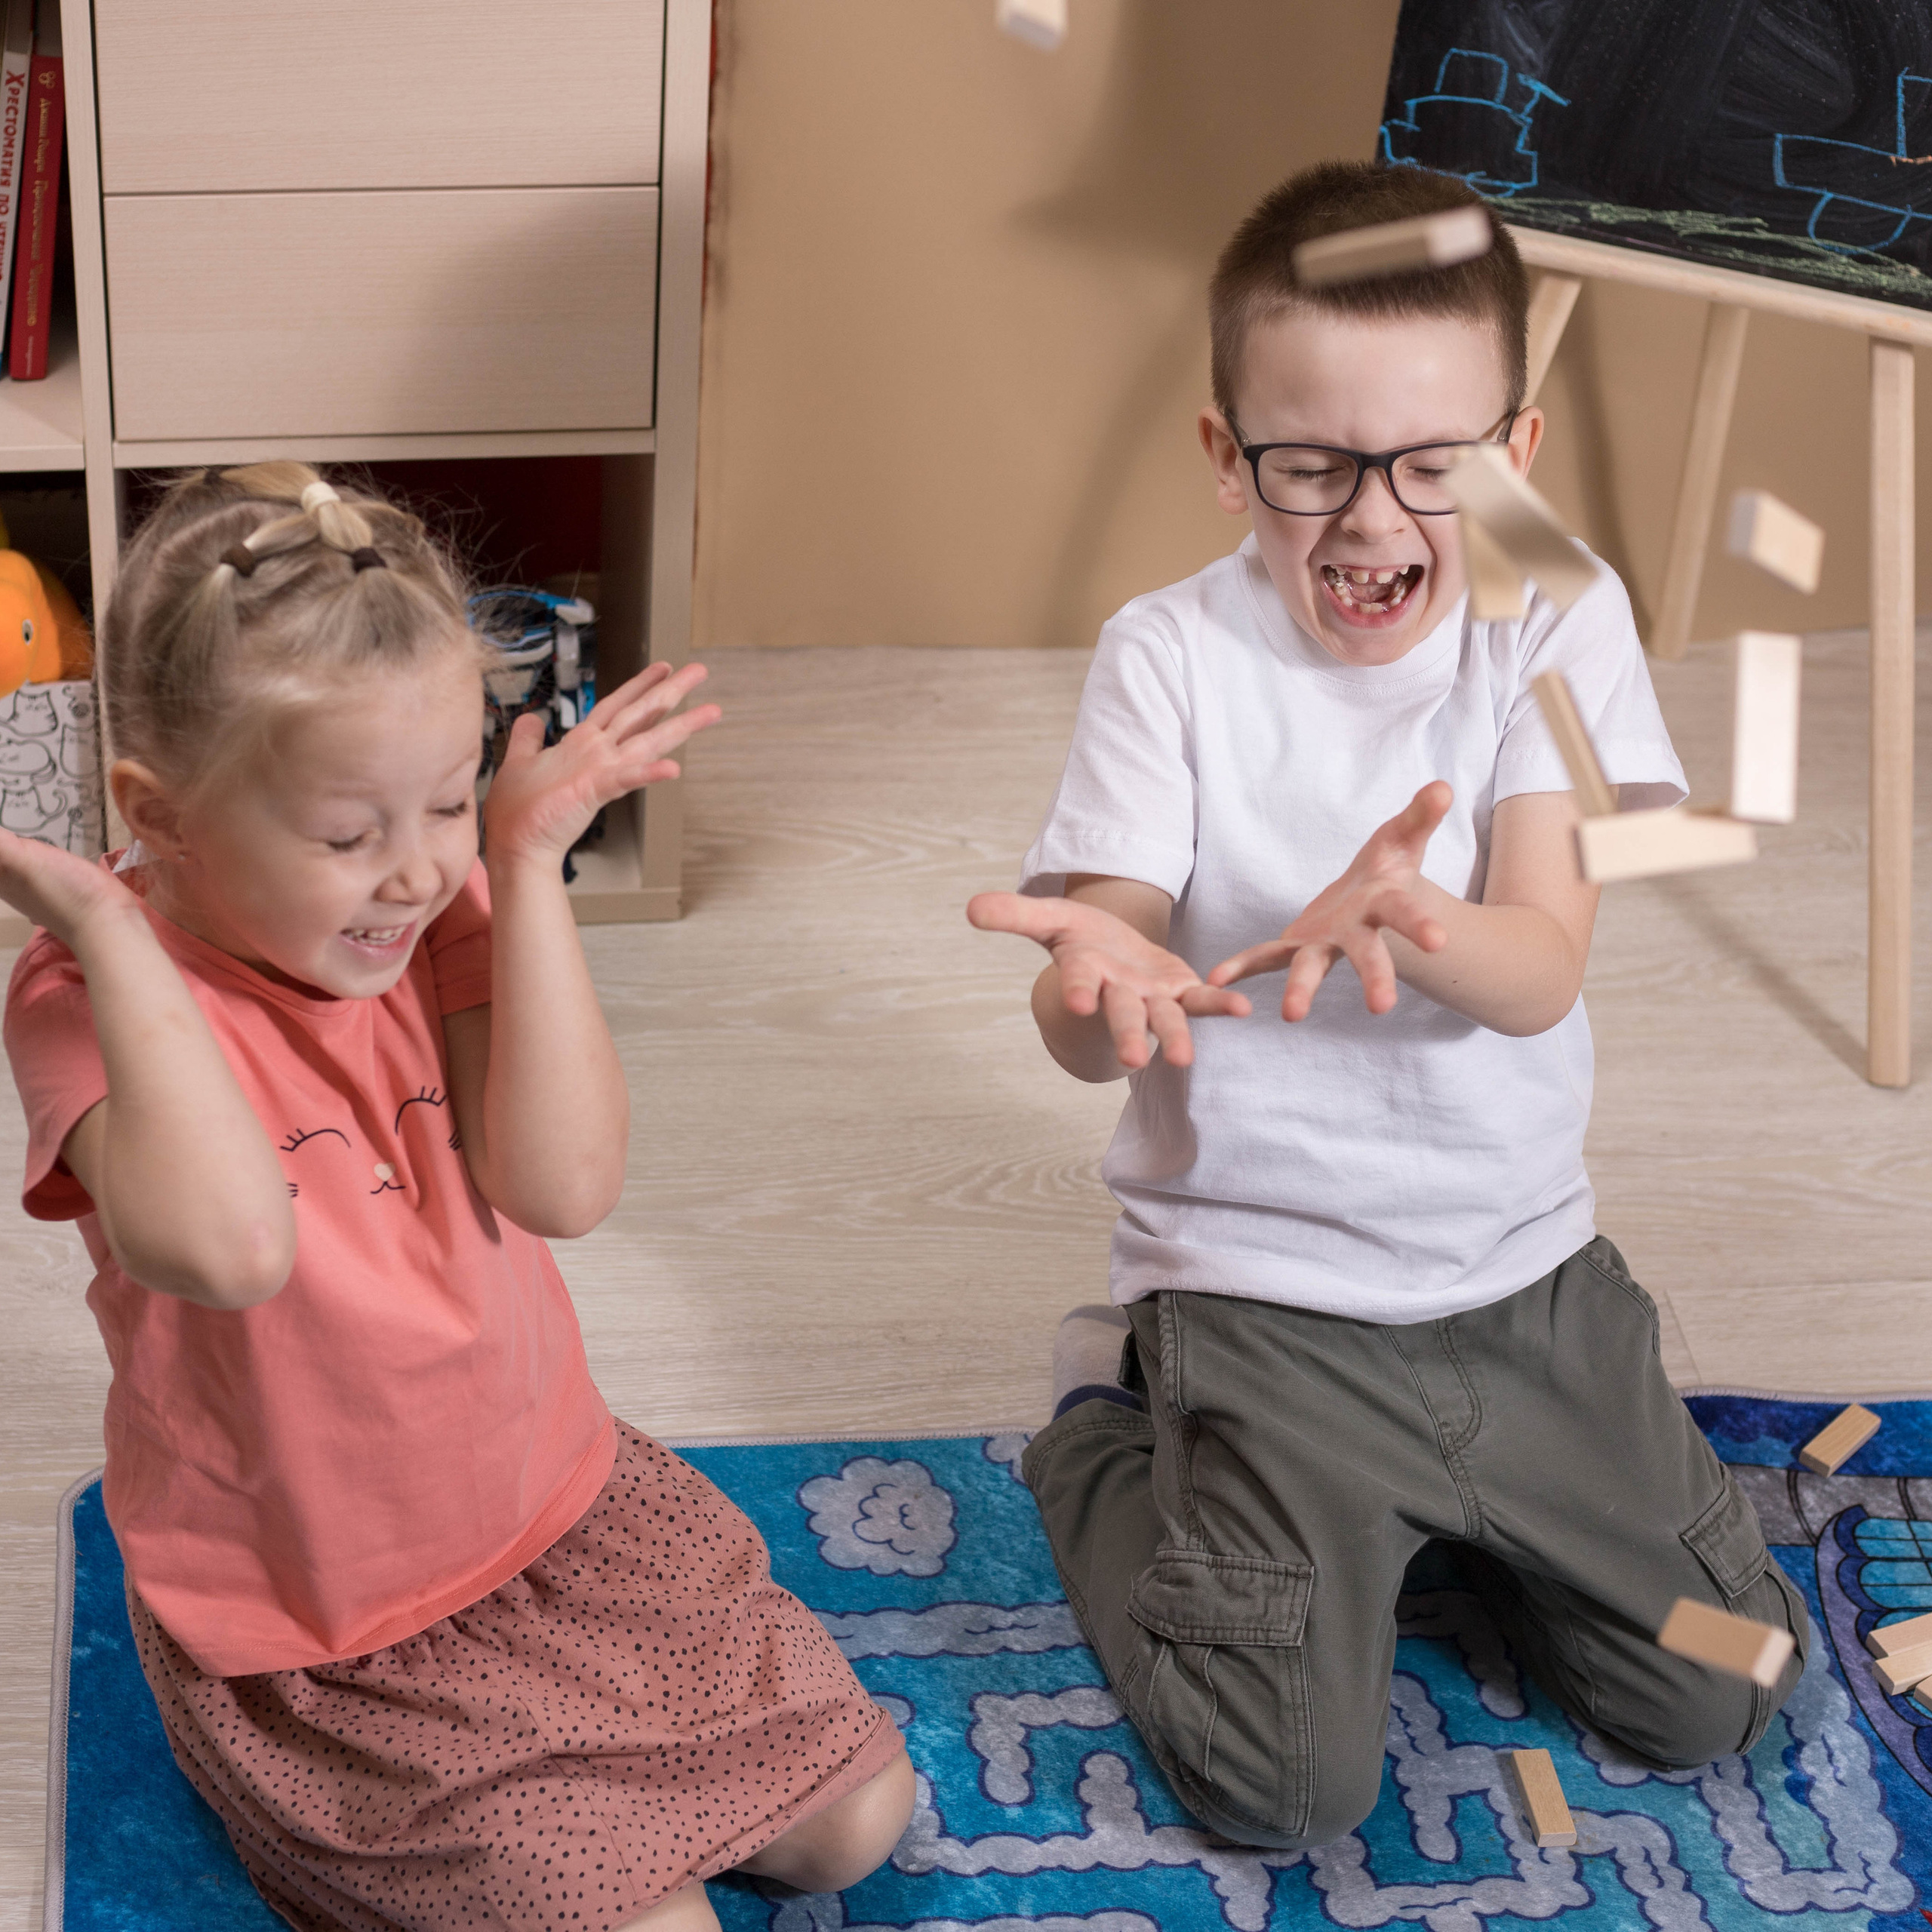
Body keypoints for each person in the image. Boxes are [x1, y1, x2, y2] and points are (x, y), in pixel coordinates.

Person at [968, 162, 1807, 1852]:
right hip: (1264, 1290)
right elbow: (1102, 968)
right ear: (1226, 457)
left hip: (1520, 1276)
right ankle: (1102, 1437)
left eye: (1434, 464)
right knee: (1277, 1788)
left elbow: (1538, 968)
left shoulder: (1555, 615)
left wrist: (1417, 917)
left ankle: (1485, 1523)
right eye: (1311, 466)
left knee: (1728, 1671)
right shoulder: (1165, 656)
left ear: (1517, 455)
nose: (1372, 521)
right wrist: (1092, 980)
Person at [2, 465, 912, 1932]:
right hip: (328, 1617)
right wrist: (113, 930)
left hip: (553, 1512)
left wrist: (522, 858)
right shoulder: (82, 996)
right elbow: (232, 1249)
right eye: (348, 833)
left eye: (441, 799)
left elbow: (561, 1183)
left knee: (858, 1826)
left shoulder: (445, 894)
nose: (409, 871)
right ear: (153, 814)